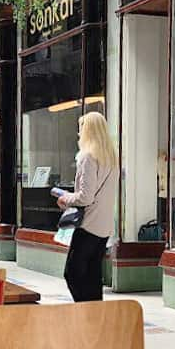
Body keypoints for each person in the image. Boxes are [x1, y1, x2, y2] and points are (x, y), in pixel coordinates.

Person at [56, 111, 118, 303]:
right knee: (92, 275)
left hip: (89, 225)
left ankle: (84, 312)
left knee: (73, 272)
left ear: (88, 131)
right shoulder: (111, 158)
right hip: (104, 226)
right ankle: (96, 316)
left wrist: (66, 198)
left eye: (81, 128)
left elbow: (85, 197)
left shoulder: (88, 157)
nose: (78, 134)